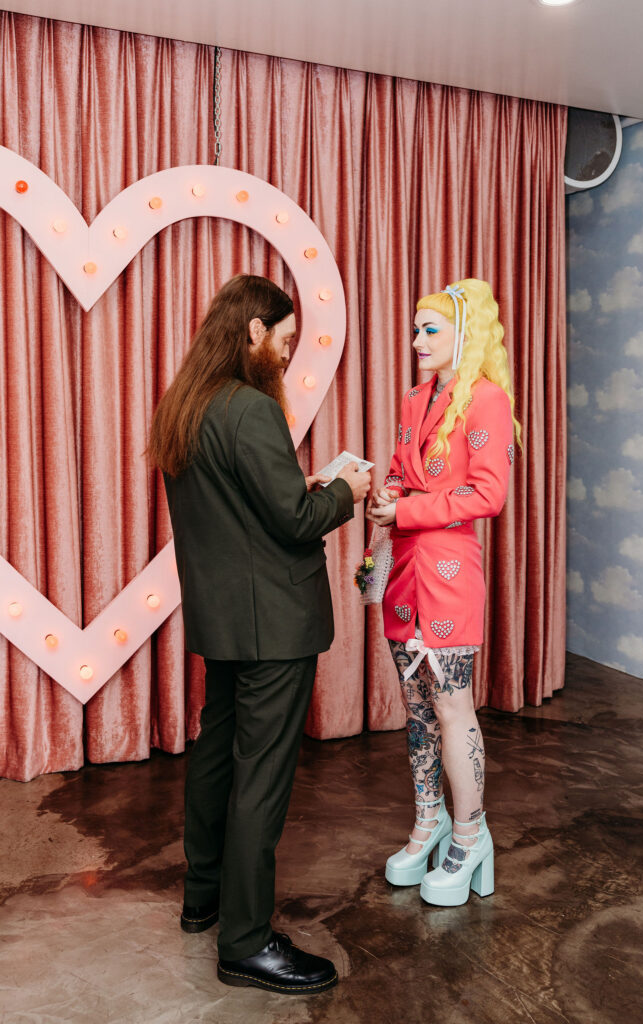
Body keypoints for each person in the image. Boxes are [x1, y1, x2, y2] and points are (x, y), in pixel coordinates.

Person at [147, 274, 370, 993]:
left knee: (218, 757)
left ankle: (204, 899)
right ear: (253, 331)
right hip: (273, 622)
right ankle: (245, 943)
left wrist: (300, 491)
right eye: (283, 338)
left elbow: (241, 508)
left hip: (223, 618)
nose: (287, 350)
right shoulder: (250, 409)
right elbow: (294, 522)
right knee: (261, 779)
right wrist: (345, 493)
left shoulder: (186, 405)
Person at [366, 279, 520, 907]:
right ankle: (428, 822)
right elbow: (403, 472)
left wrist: (405, 509)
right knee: (417, 708)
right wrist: (387, 495)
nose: (416, 341)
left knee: (453, 707)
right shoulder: (415, 398)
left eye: (429, 330)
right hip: (403, 571)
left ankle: (470, 834)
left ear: (464, 334)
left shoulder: (487, 400)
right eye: (415, 330)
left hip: (451, 576)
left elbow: (488, 494)